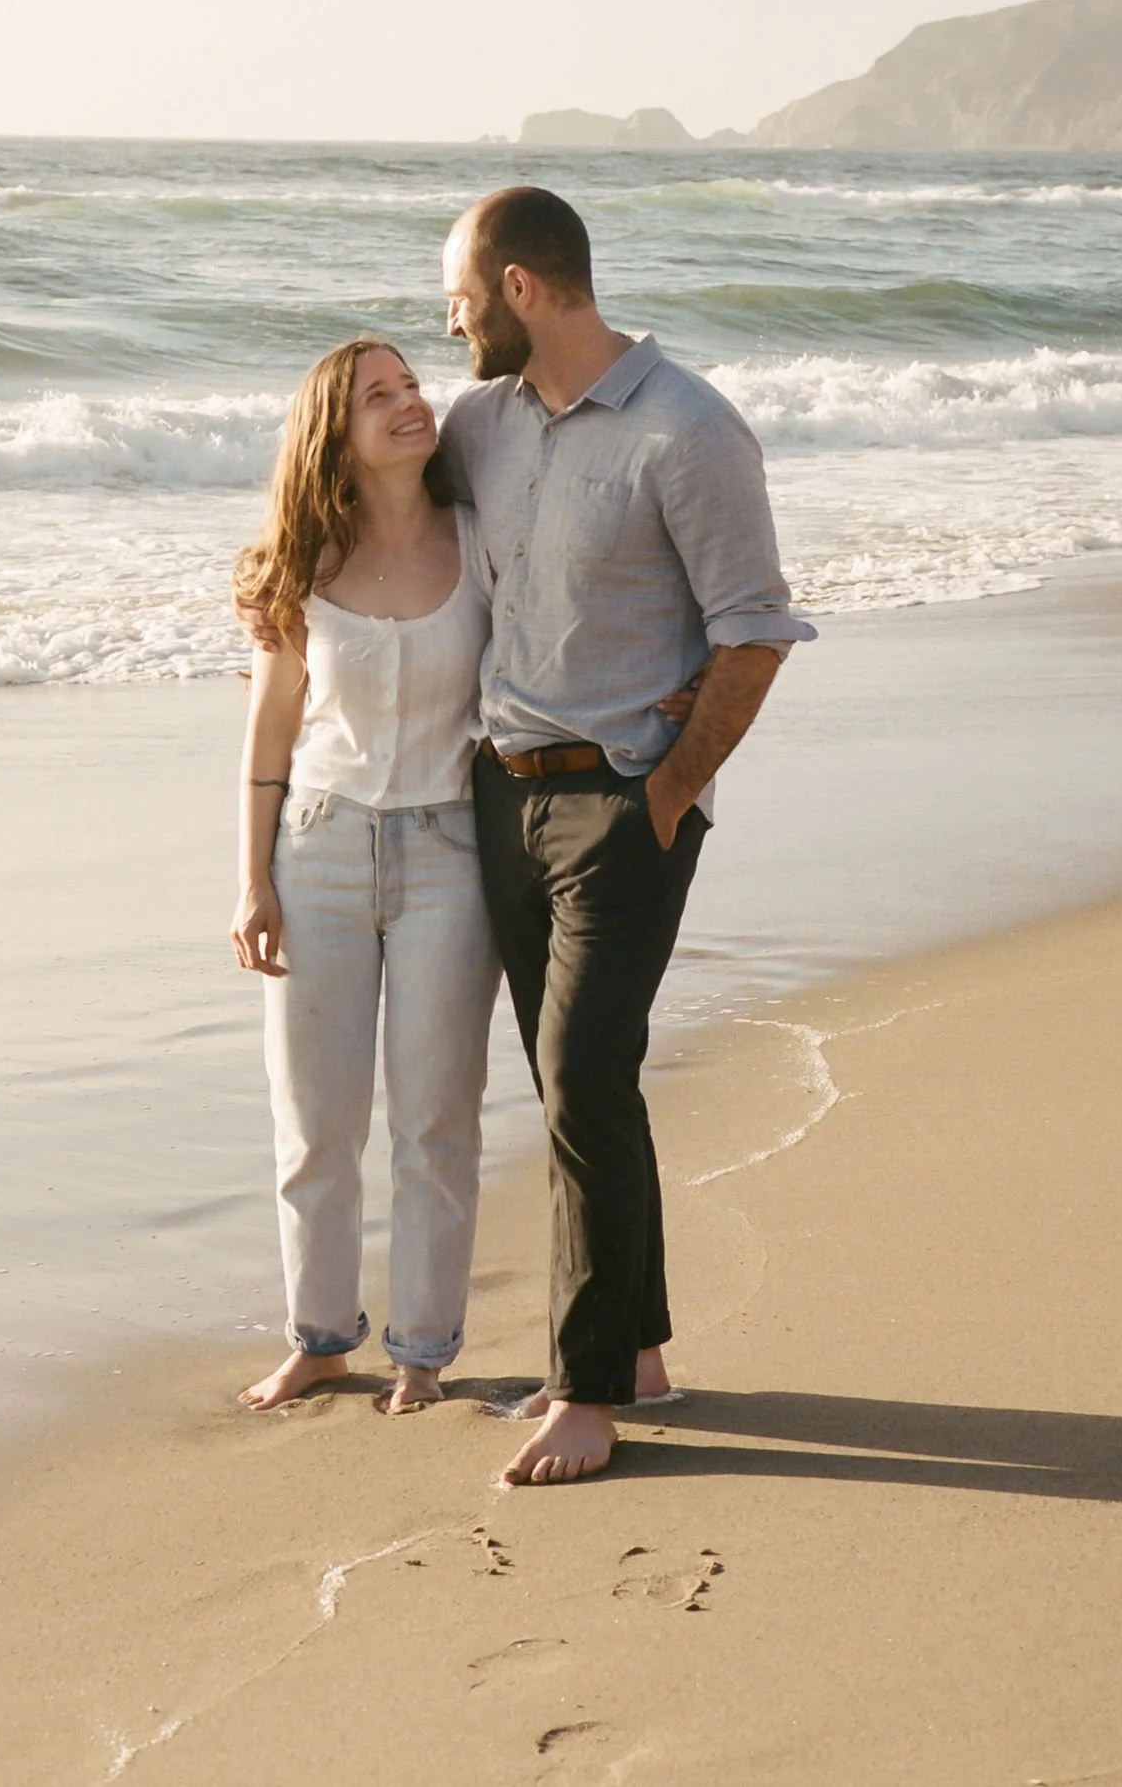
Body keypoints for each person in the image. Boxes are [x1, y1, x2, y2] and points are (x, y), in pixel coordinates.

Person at [438, 186, 815, 1486]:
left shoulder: (689, 430)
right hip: (501, 790)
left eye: (462, 293)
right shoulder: (477, 425)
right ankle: (638, 1351)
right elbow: (378, 516)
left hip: (620, 796)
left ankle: (586, 1390)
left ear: (524, 290)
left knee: (584, 1070)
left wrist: (664, 791)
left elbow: (756, 628)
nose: (451, 318)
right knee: (574, 1081)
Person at [229, 338, 501, 1415]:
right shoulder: (303, 564)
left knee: (435, 1119)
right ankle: (320, 1338)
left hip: (450, 855)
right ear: (332, 438)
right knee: (314, 1120)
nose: (407, 403)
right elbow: (267, 735)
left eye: (409, 385)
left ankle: (423, 1352)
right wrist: (251, 882)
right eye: (375, 396)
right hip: (320, 848)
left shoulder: (481, 544)